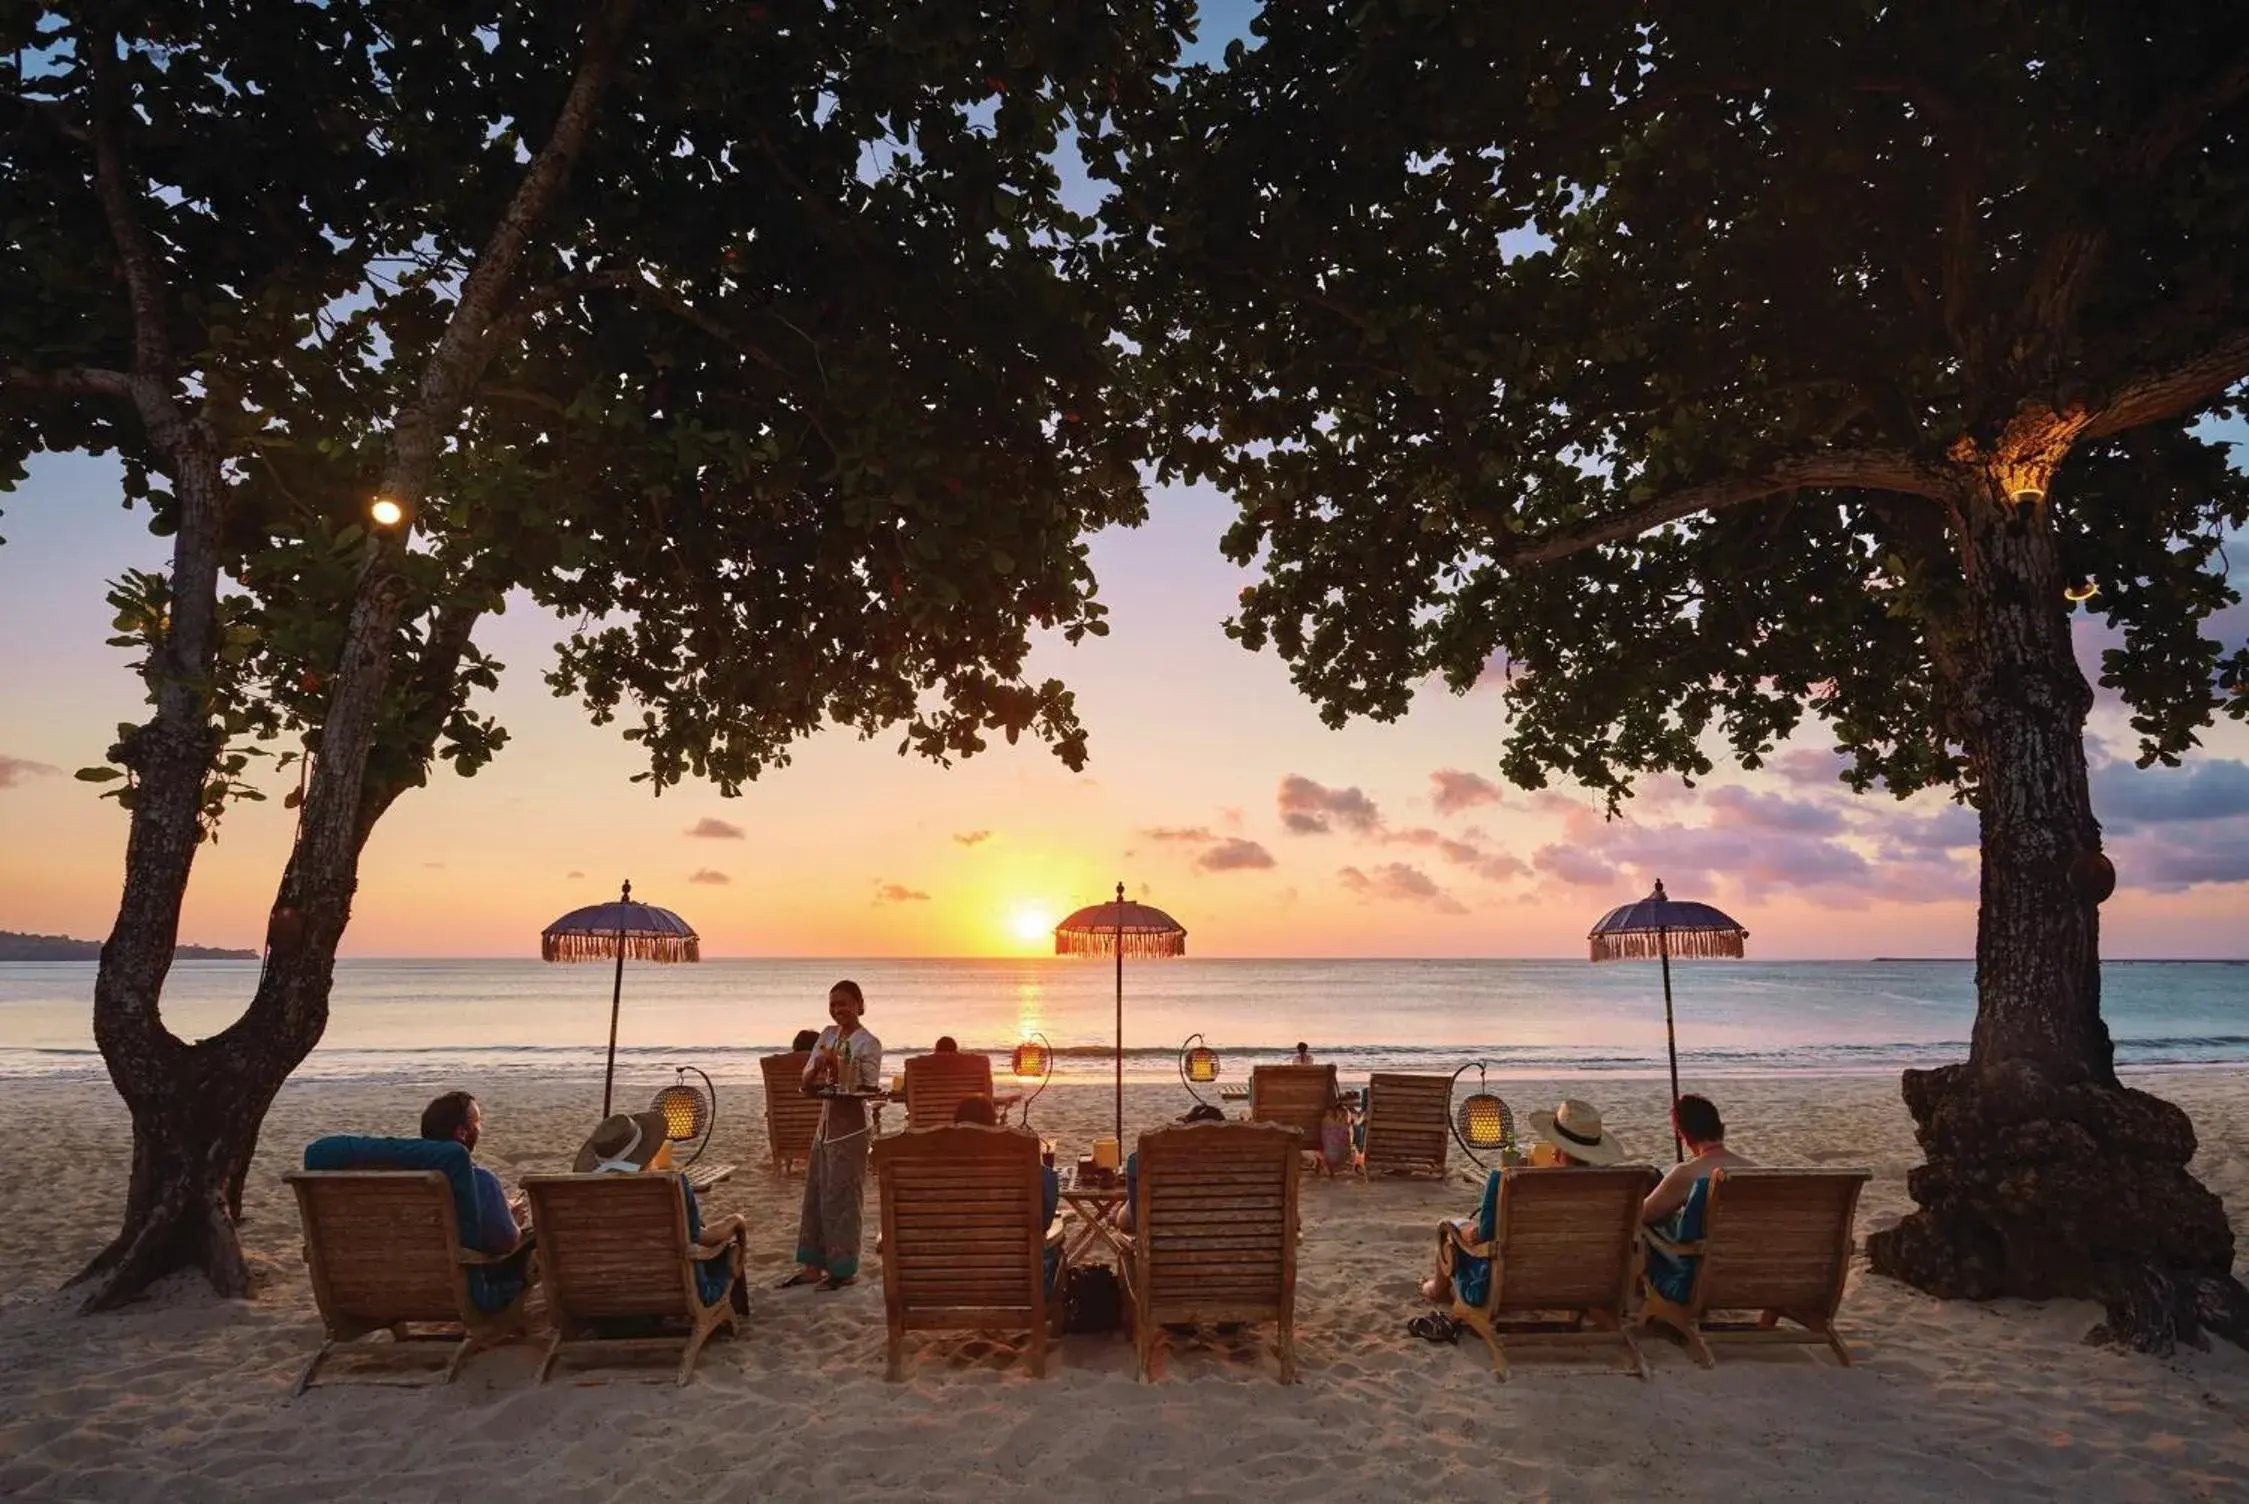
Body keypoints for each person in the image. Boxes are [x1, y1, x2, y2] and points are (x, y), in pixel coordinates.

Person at [1420, 1097, 1626, 1305]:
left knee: (1450, 1230)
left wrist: (1463, 1229)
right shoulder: (1618, 1187)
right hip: (1587, 1284)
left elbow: (1483, 1237)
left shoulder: (1505, 1180)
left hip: (1510, 1285)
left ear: (1556, 1149)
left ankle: (1436, 1290)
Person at [575, 1111, 748, 1314]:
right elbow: (703, 1239)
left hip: (599, 1298)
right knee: (727, 1250)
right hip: (675, 1292)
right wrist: (736, 1221)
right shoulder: (670, 1186)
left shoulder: (581, 1194)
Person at [785, 979, 882, 1290]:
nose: (838, 1009)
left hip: (851, 1129)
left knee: (843, 1197)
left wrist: (839, 1066)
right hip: (825, 1126)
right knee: (815, 1192)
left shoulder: (869, 1042)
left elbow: (865, 1086)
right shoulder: (826, 1035)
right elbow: (806, 1078)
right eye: (833, 1004)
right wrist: (817, 1069)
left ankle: (843, 1269)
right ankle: (813, 1266)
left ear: (859, 1005)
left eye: (844, 1003)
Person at [1642, 1094, 1753, 1304]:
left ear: (1685, 1136)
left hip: (1700, 1283)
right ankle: (1765, 1322)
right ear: (1722, 1128)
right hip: (1755, 1277)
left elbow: (1640, 1215)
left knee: (1644, 1232)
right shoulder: (1757, 1172)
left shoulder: (1688, 1174)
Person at [419, 1090, 521, 1256]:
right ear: (462, 1132)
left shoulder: (406, 1179)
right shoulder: (480, 1180)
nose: (480, 1130)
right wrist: (514, 1222)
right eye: (477, 1124)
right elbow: (505, 1242)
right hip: (471, 1275)